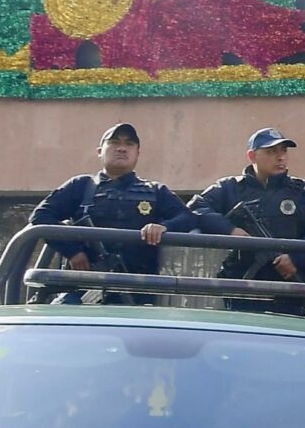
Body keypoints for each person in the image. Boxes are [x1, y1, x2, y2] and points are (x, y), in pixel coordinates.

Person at [28, 121, 201, 300]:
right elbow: (41, 217)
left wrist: (163, 227)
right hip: (83, 285)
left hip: (139, 291)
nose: (122, 148)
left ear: (137, 154)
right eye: (115, 143)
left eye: (129, 144)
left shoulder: (155, 191)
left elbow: (188, 218)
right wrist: (73, 251)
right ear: (99, 151)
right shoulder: (80, 186)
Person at [190, 126, 305, 310]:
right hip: (243, 293)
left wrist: (296, 258)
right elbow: (195, 208)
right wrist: (230, 231)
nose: (280, 157)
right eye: (271, 152)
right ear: (252, 156)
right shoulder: (230, 188)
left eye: (284, 151)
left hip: (295, 292)